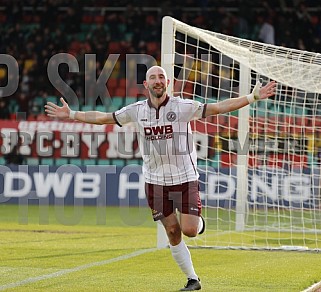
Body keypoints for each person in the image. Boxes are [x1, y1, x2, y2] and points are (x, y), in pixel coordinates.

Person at [45, 65, 276, 291]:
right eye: (153, 77)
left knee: (190, 230)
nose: (157, 81)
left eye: (161, 77)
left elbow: (217, 108)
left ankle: (199, 223)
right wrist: (72, 114)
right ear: (146, 84)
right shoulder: (136, 110)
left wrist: (251, 97)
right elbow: (104, 117)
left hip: (185, 178)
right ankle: (192, 279)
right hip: (155, 182)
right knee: (172, 231)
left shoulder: (182, 106)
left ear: (168, 83)